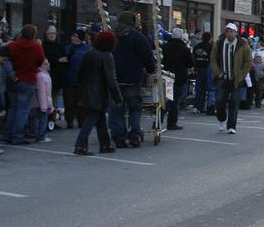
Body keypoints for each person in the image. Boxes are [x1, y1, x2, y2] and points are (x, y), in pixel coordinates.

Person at [110, 11, 156, 148]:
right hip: (132, 79)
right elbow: (147, 57)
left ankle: (119, 137)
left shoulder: (113, 36)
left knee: (117, 110)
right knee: (134, 108)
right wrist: (150, 69)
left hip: (115, 79)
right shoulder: (138, 38)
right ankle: (134, 135)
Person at [74, 31, 123, 156]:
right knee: (91, 119)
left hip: (87, 90)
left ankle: (105, 144)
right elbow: (111, 79)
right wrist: (118, 97)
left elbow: (80, 74)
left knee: (99, 118)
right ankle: (80, 145)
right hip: (99, 92)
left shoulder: (90, 53)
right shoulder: (107, 56)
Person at [5, 24, 45, 145]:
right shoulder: (36, 47)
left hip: (13, 80)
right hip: (28, 80)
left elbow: (6, 59)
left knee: (12, 108)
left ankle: (8, 134)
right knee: (23, 110)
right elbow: (40, 61)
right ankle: (17, 136)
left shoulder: (12, 45)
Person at [209, 22, 252, 134]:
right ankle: (222, 119)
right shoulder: (219, 43)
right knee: (219, 100)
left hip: (236, 78)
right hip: (223, 77)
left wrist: (241, 74)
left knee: (234, 101)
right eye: (227, 31)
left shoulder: (243, 44)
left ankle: (231, 126)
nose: (229, 33)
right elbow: (213, 59)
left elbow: (248, 61)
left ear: (236, 33)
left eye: (231, 31)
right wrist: (217, 72)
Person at [162, 28, 194, 131]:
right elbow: (190, 63)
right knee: (174, 101)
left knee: (166, 99)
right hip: (179, 77)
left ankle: (158, 120)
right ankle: (171, 123)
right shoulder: (184, 48)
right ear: (180, 37)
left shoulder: (165, 47)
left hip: (167, 75)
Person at [63, 29, 91, 129]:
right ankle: (69, 120)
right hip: (69, 79)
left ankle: (82, 120)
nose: (73, 38)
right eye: (72, 36)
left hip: (83, 80)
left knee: (82, 102)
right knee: (69, 102)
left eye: (75, 36)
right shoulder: (67, 48)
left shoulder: (87, 49)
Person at [42, 25, 67, 119]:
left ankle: (52, 119)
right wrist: (58, 60)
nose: (52, 35)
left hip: (57, 77)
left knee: (54, 99)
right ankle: (47, 119)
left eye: (53, 33)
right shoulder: (43, 46)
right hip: (46, 76)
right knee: (46, 99)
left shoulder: (60, 46)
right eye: (50, 33)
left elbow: (64, 59)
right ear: (46, 34)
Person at [30, 59, 54, 143]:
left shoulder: (45, 75)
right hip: (41, 103)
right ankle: (40, 136)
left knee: (42, 119)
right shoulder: (41, 76)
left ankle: (41, 135)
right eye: (46, 64)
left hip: (45, 102)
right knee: (41, 119)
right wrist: (44, 106)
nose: (48, 65)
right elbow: (41, 92)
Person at [192, 31, 214, 114]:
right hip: (208, 68)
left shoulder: (196, 47)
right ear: (210, 39)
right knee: (209, 88)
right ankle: (208, 106)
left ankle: (197, 106)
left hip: (198, 68)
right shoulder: (211, 47)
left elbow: (193, 57)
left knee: (199, 88)